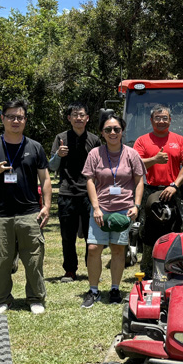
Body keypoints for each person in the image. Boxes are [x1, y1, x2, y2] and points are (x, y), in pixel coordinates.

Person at [0, 99, 51, 316]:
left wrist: (46, 206)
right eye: (11, 117)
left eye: (20, 117)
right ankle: (1, 299)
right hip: (0, 214)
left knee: (34, 259)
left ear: (25, 120)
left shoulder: (34, 147)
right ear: (2, 119)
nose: (15, 121)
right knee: (2, 260)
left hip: (29, 213)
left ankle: (35, 298)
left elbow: (45, 179)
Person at [81, 113, 145, 308]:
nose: (113, 132)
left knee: (118, 250)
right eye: (108, 129)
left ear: (122, 131)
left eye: (116, 129)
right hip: (101, 209)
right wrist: (96, 208)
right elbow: (90, 180)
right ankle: (93, 290)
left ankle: (115, 289)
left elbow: (139, 180)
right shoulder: (95, 154)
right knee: (93, 248)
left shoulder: (131, 154)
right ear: (102, 133)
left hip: (123, 210)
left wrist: (136, 205)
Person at [49, 103, 101, 283]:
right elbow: (51, 166)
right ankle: (70, 270)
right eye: (74, 115)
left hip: (89, 193)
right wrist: (58, 155)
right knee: (67, 235)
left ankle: (91, 268)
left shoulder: (94, 140)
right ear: (69, 118)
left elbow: (101, 168)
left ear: (87, 118)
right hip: (67, 192)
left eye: (81, 115)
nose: (78, 118)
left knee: (91, 235)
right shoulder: (61, 138)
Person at [134, 104, 183, 272]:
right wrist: (154, 160)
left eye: (165, 118)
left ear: (170, 120)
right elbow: (135, 162)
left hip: (172, 190)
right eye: (157, 118)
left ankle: (174, 266)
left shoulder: (179, 140)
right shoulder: (142, 140)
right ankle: (148, 268)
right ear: (151, 120)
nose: (161, 121)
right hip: (150, 190)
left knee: (174, 227)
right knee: (148, 229)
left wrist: (175, 185)